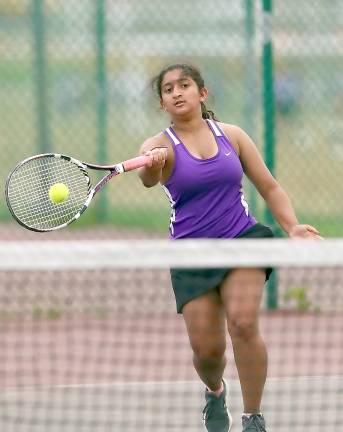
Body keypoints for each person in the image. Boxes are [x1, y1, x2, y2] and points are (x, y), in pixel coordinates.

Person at [137, 63, 322, 432]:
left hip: (241, 240)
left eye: (184, 85)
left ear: (201, 93)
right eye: (168, 89)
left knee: (242, 322)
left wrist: (292, 226)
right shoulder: (157, 146)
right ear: (163, 103)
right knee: (208, 353)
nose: (177, 92)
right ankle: (214, 390)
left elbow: (269, 186)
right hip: (190, 254)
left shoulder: (232, 136)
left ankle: (253, 416)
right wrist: (154, 166)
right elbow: (147, 179)